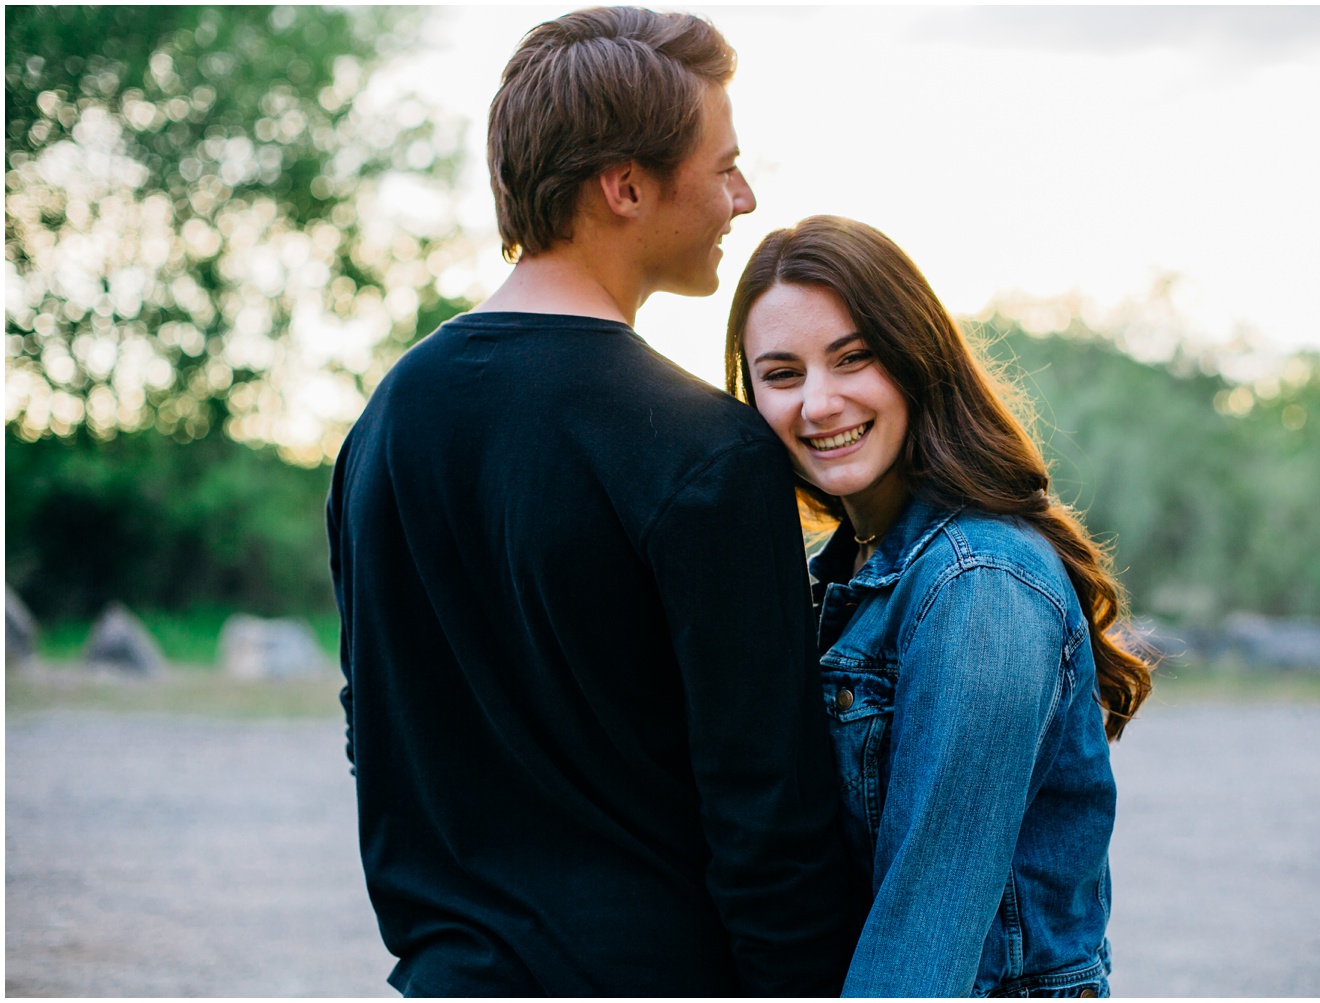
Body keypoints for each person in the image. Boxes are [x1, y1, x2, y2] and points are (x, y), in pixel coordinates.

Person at [326, 10, 853, 996]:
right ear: (626, 187)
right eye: (724, 165)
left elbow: (378, 732)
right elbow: (769, 813)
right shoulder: (707, 452)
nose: (745, 196)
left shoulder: (383, 427)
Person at [725, 215, 1156, 998]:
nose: (819, 403)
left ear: (915, 357)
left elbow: (930, 923)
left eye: (852, 357)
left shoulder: (978, 584)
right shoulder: (840, 576)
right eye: (782, 374)